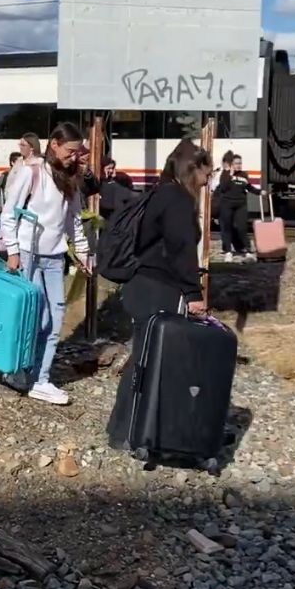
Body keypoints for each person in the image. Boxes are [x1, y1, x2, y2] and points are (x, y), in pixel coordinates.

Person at [107, 139, 213, 447]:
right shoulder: (177, 200)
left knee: (143, 358)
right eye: (207, 173)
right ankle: (134, 432)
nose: (208, 181)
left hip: (141, 286)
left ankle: (126, 428)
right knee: (148, 361)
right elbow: (181, 250)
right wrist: (193, 293)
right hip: (158, 290)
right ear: (192, 169)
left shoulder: (159, 193)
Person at [0, 122, 90, 406]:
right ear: (54, 144)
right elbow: (8, 213)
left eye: (77, 153)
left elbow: (74, 219)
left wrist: (84, 253)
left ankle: (40, 378)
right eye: (70, 151)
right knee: (35, 318)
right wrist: (13, 251)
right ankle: (18, 371)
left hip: (54, 257)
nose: (74, 157)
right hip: (29, 255)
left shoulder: (70, 179)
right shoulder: (32, 171)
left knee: (56, 316)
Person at [218, 153, 263, 262]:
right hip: (227, 205)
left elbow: (249, 187)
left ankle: (247, 251)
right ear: (231, 164)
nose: (239, 165)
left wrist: (260, 192)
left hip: (240, 205)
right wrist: (230, 175)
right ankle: (228, 252)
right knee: (227, 228)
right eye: (236, 163)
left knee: (242, 227)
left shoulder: (244, 175)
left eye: (240, 163)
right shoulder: (225, 174)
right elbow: (223, 188)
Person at [99, 158, 135, 222]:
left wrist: (114, 176)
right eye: (108, 168)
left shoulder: (119, 179)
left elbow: (128, 185)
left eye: (112, 168)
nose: (111, 171)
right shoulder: (99, 182)